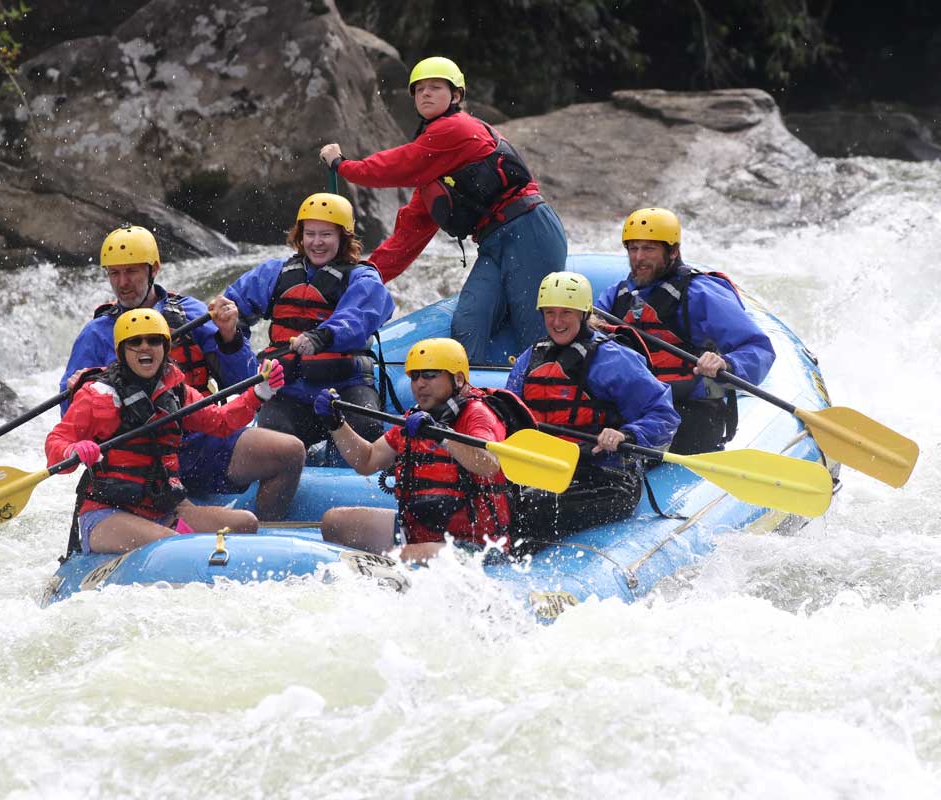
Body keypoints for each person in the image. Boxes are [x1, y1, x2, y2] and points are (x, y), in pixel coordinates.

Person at [318, 55, 567, 363]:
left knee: (535, 331)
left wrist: (343, 166)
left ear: (456, 96)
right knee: (468, 324)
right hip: (493, 244)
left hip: (530, 231)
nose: (425, 93)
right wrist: (364, 275)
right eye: (419, 89)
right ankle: (473, 401)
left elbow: (396, 165)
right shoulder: (434, 163)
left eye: (436, 87)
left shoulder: (456, 129)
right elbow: (409, 234)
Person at [60, 224, 306, 520]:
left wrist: (230, 338)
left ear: (154, 269)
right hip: (141, 458)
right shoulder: (97, 333)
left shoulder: (192, 313)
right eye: (114, 273)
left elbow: (243, 382)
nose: (123, 282)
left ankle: (261, 534)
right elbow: (71, 420)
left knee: (289, 452)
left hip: (201, 440)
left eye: (132, 272)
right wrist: (83, 386)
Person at [47, 308, 286, 555]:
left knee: (246, 523)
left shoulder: (176, 391)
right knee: (174, 547)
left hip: (161, 509)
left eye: (153, 341)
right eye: (135, 342)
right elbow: (57, 440)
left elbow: (220, 422)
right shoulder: (96, 396)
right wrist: (72, 450)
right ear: (121, 350)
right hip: (107, 514)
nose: (145, 348)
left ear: (165, 347)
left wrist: (259, 393)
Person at [507, 272, 679, 550]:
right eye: (550, 313)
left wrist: (627, 435)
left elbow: (664, 415)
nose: (557, 322)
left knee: (531, 507)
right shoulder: (530, 359)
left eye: (566, 313)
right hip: (545, 472)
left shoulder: (615, 360)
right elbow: (509, 415)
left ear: (583, 313)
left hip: (609, 479)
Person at [219, 193, 395, 450]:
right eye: (310, 233)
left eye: (326, 234)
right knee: (271, 436)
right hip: (290, 390)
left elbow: (358, 317)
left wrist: (322, 336)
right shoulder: (275, 273)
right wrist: (227, 322)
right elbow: (233, 306)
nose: (316, 242)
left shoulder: (361, 277)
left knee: (366, 430)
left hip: (345, 388)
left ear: (343, 237)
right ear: (300, 236)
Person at [594, 208, 776, 454]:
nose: (638, 257)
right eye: (633, 248)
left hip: (689, 409)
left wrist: (726, 364)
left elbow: (758, 348)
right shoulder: (617, 296)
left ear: (673, 251)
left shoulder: (701, 294)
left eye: (648, 249)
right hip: (634, 409)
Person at [314, 338, 512, 563]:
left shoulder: (478, 414)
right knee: (334, 522)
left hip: (479, 546)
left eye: (429, 375)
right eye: (415, 376)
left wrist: (441, 435)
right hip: (419, 535)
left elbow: (489, 464)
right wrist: (336, 424)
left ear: (458, 378)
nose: (420, 384)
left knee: (405, 556)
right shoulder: (415, 419)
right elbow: (367, 460)